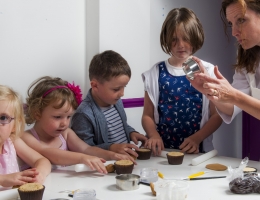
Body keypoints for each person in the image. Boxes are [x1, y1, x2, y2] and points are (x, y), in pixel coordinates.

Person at [141, 7, 222, 156]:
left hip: (198, 152)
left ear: (195, 37)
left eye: (186, 38)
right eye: (174, 39)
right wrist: (153, 135)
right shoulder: (155, 73)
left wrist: (197, 138)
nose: (181, 45)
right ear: (166, 39)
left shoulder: (208, 72)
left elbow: (216, 116)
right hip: (162, 153)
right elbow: (147, 115)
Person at [22, 76, 134, 175]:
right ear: (37, 113)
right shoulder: (27, 137)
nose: (64, 123)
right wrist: (82, 158)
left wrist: (112, 155)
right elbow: (49, 152)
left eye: (68, 117)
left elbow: (86, 149)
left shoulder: (66, 134)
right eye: (57, 117)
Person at [189, 0, 260, 122]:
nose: (234, 32)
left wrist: (233, 96)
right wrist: (212, 92)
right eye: (231, 23)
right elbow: (232, 107)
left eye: (241, 20)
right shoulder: (247, 57)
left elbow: (235, 98)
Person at [71, 50, 147, 159]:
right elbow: (85, 149)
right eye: (116, 89)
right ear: (95, 86)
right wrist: (111, 147)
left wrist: (131, 132)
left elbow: (119, 125)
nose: (122, 93)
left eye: (123, 87)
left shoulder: (115, 100)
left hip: (125, 161)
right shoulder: (83, 114)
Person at [0, 85, 51, 188]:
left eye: (3, 117)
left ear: (15, 125)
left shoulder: (11, 142)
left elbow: (42, 161)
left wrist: (38, 175)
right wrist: (2, 179)